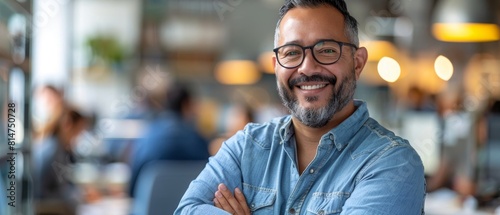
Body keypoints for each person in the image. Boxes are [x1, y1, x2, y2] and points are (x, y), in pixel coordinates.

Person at [175, 0, 425, 214]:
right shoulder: (245, 147)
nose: (307, 67)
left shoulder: (393, 163)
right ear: (276, 66)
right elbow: (187, 209)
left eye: (327, 50)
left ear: (357, 63)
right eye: (292, 53)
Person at [128, 81, 210, 197]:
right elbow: (209, 180)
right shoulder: (195, 138)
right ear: (186, 105)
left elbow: (133, 184)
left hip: (147, 208)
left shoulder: (149, 134)